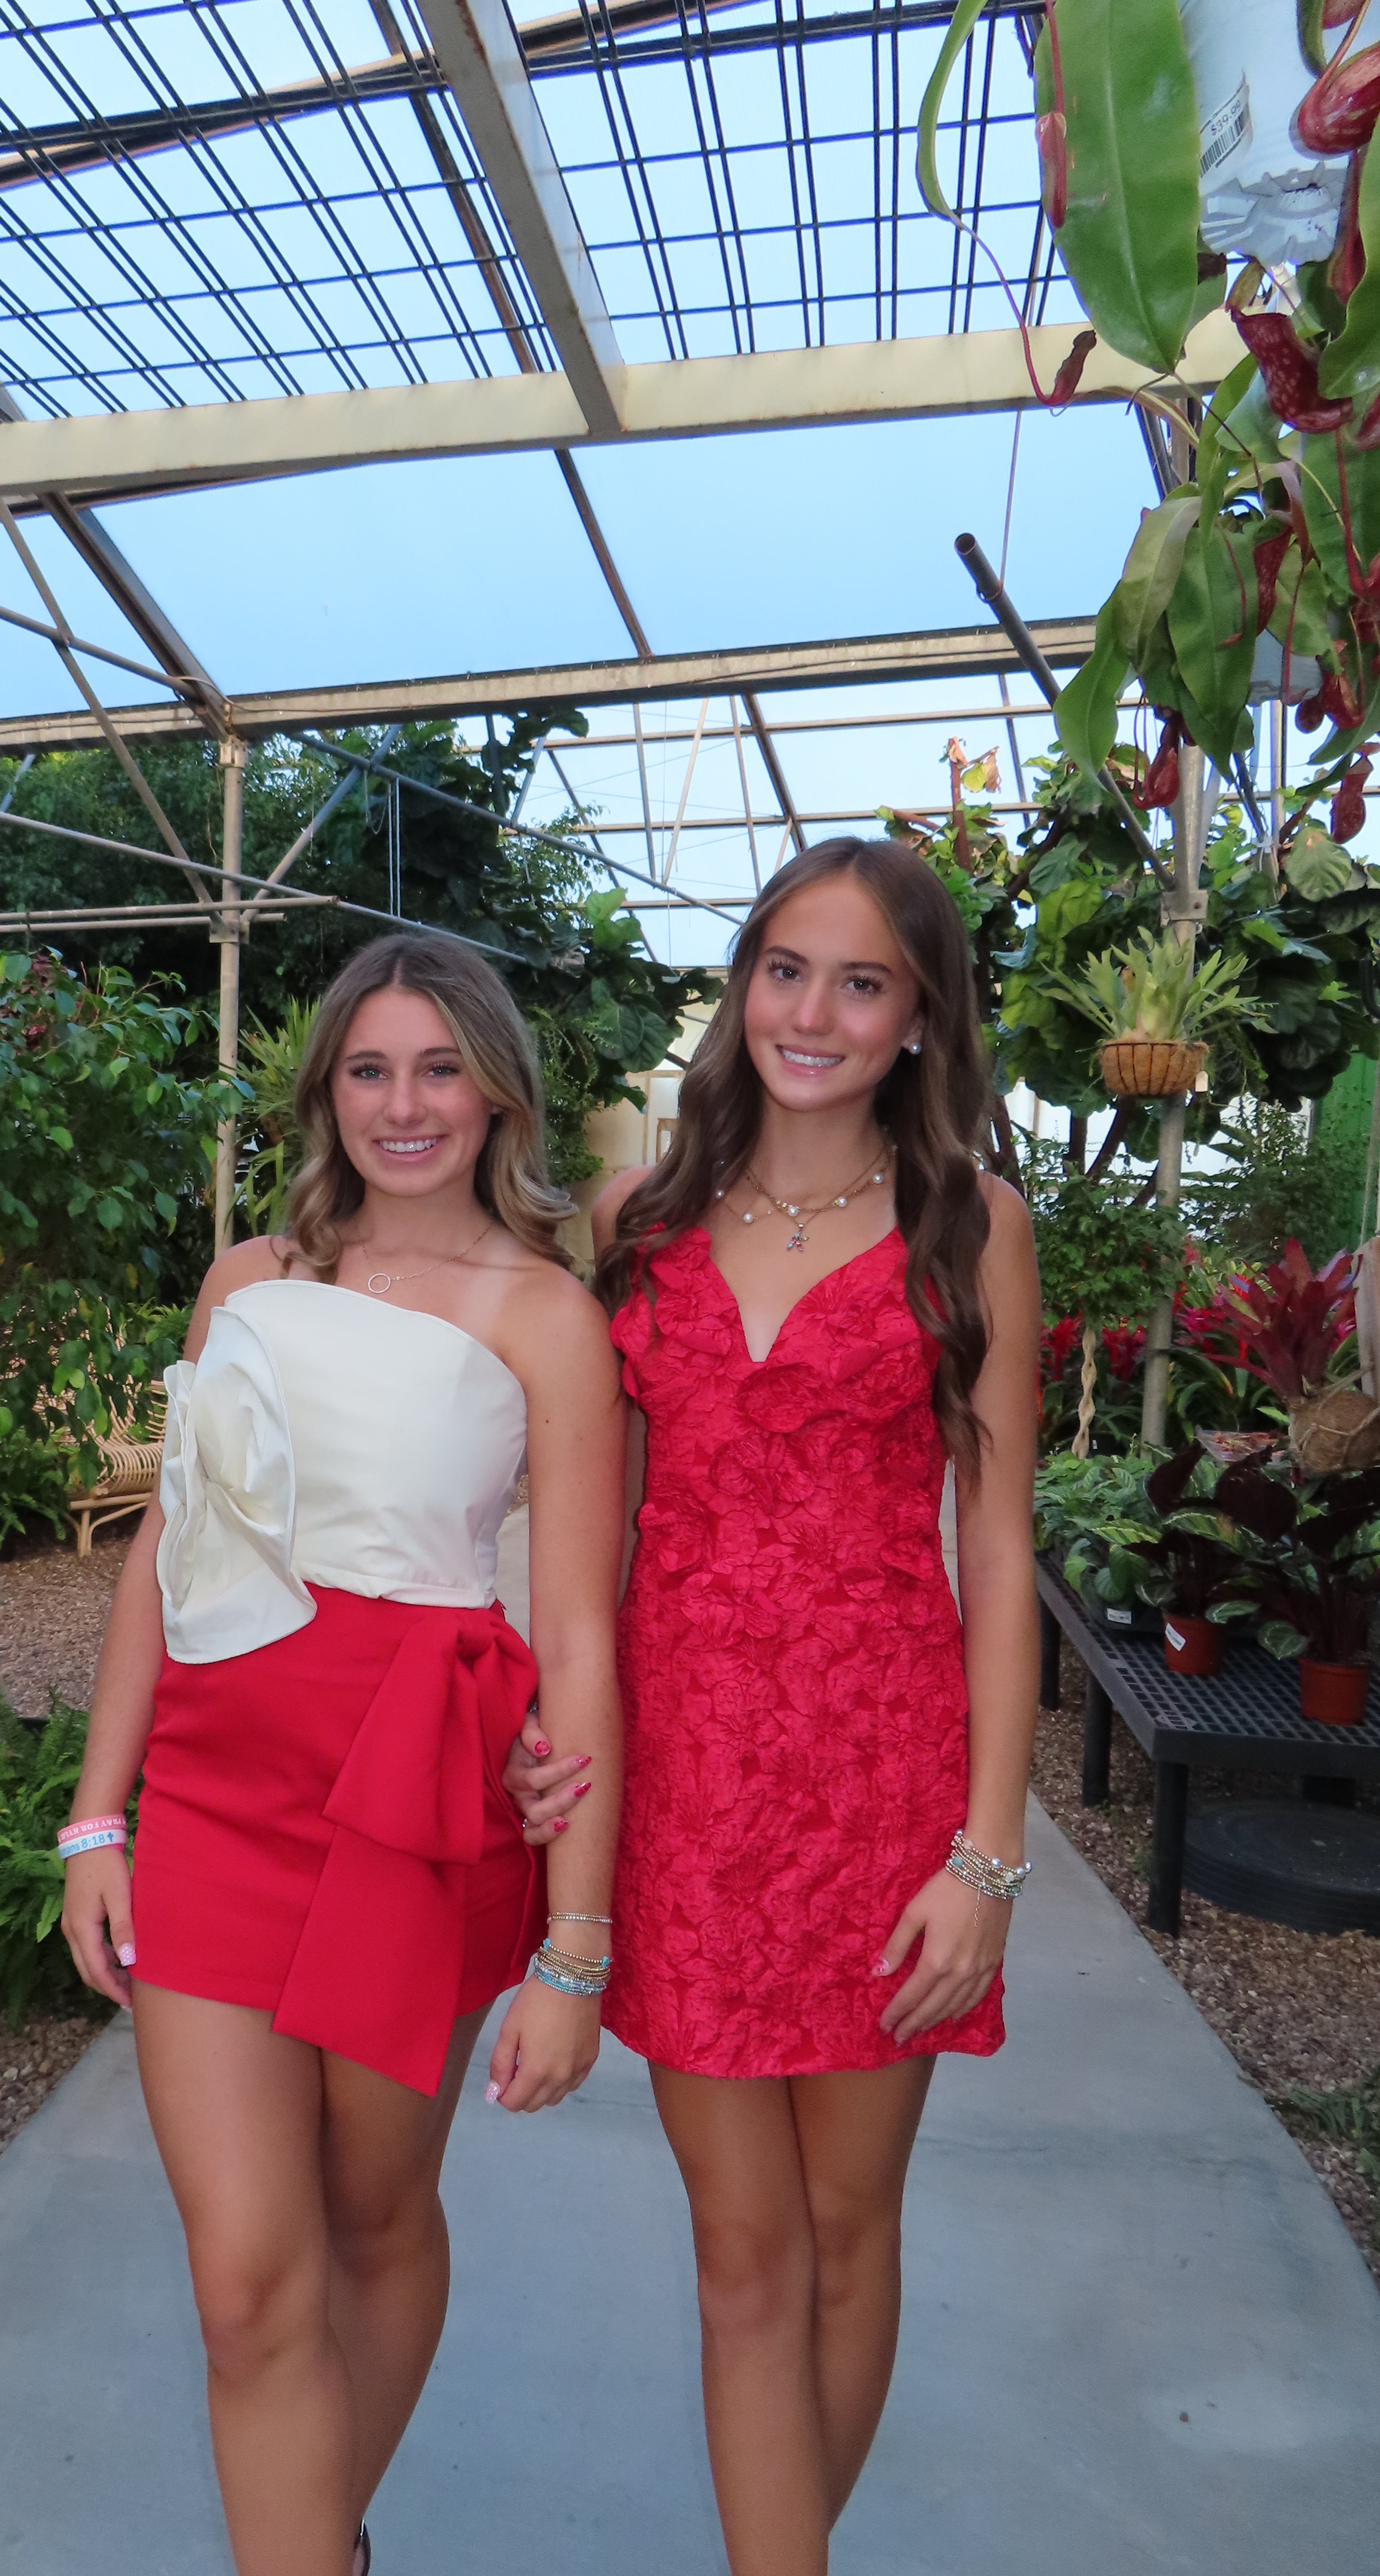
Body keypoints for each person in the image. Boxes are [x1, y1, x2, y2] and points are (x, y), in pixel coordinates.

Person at [63, 929, 624, 2576]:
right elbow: (170, 1545)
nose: (406, 1104)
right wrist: (97, 1819)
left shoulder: (552, 1318)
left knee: (375, 2218)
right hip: (218, 1802)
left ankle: (317, 2542)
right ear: (327, 1093)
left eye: (441, 1068)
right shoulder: (250, 1279)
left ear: (498, 1091)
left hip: (415, 1805)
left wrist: (576, 1949)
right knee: (247, 2280)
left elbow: (581, 1634)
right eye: (371, 1070)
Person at [510, 837, 1040, 2575]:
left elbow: (1000, 1551)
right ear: (742, 988)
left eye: (862, 982)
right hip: (682, 1795)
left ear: (919, 1018)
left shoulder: (973, 1227)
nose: (813, 1013)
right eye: (785, 970)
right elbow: (587, 1550)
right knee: (742, 2254)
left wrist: (987, 1855)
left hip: (883, 1791)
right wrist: (550, 1744)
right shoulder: (637, 1224)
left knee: (844, 2230)